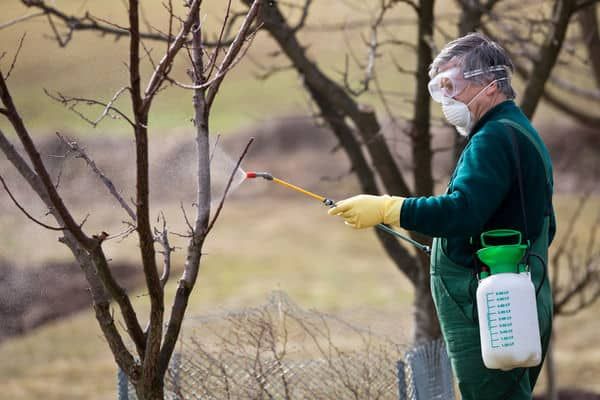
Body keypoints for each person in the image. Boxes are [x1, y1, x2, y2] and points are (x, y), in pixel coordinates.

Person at [328, 32, 555, 400]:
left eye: (452, 85)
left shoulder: (494, 138)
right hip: (513, 300)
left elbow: (461, 212)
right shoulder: (514, 131)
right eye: (440, 88)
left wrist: (389, 208)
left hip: (493, 308)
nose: (446, 99)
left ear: (491, 85)